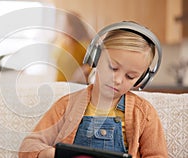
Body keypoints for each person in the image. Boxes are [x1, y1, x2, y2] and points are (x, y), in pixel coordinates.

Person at [19, 21, 168, 158]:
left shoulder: (144, 113)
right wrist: (51, 154)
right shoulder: (66, 105)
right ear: (95, 57)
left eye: (130, 76)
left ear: (142, 79)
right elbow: (28, 147)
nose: (118, 80)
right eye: (113, 67)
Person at [53, 12, 93, 84]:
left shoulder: (84, 45)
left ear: (72, 27)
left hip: (75, 88)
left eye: (64, 23)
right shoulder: (63, 43)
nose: (61, 26)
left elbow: (94, 66)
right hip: (60, 86)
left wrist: (84, 70)